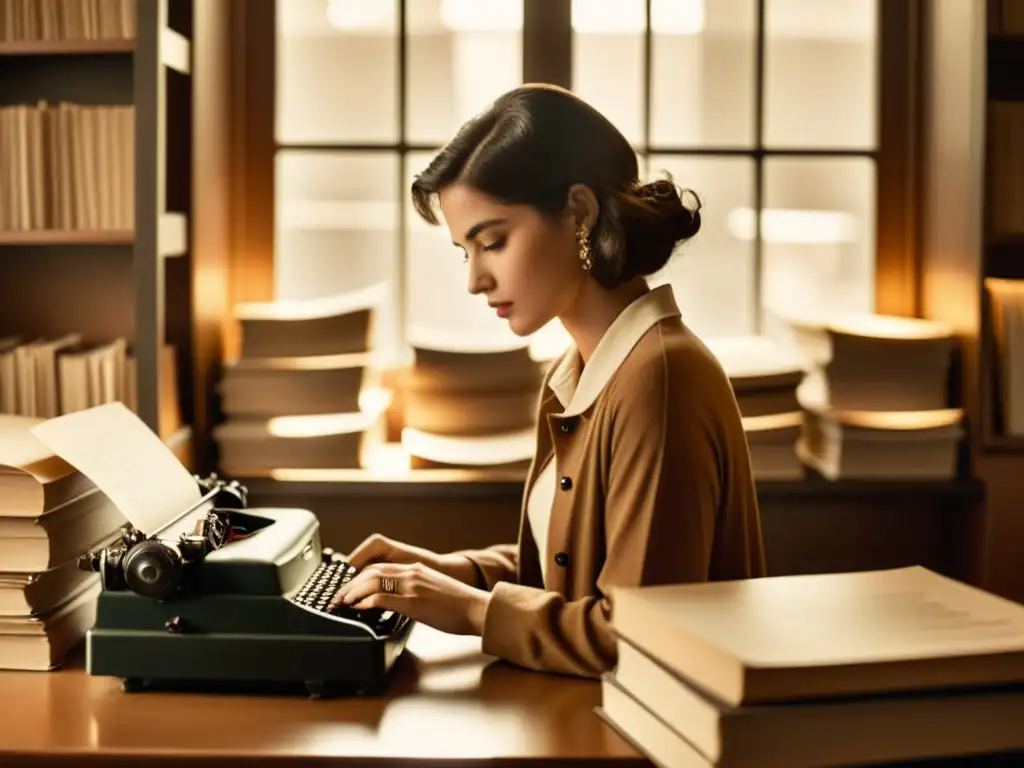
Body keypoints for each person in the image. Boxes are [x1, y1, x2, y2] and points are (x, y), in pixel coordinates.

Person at [329, 84, 767, 678]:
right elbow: (573, 570)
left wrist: (472, 610)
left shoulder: (659, 378)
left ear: (580, 214)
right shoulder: (580, 370)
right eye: (466, 252)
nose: (475, 280)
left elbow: (639, 634)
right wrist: (452, 574)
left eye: (493, 242)